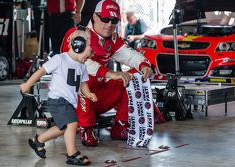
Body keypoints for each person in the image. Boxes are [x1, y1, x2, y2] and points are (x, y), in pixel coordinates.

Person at [61, 0, 153, 147]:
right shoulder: (77, 35)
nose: (109, 24)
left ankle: (120, 125)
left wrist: (144, 65)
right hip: (70, 100)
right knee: (84, 78)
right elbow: (79, 65)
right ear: (95, 17)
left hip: (97, 97)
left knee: (133, 76)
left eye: (114, 20)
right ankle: (86, 128)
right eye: (105, 19)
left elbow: (129, 55)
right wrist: (109, 73)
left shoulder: (113, 39)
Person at [20, 27, 104, 165]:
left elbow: (83, 83)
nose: (92, 55)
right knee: (72, 124)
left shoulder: (82, 66)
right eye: (91, 51)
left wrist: (88, 93)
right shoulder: (60, 59)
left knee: (62, 128)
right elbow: (41, 72)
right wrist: (27, 84)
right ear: (79, 45)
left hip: (69, 102)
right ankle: (72, 154)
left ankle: (38, 141)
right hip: (57, 100)